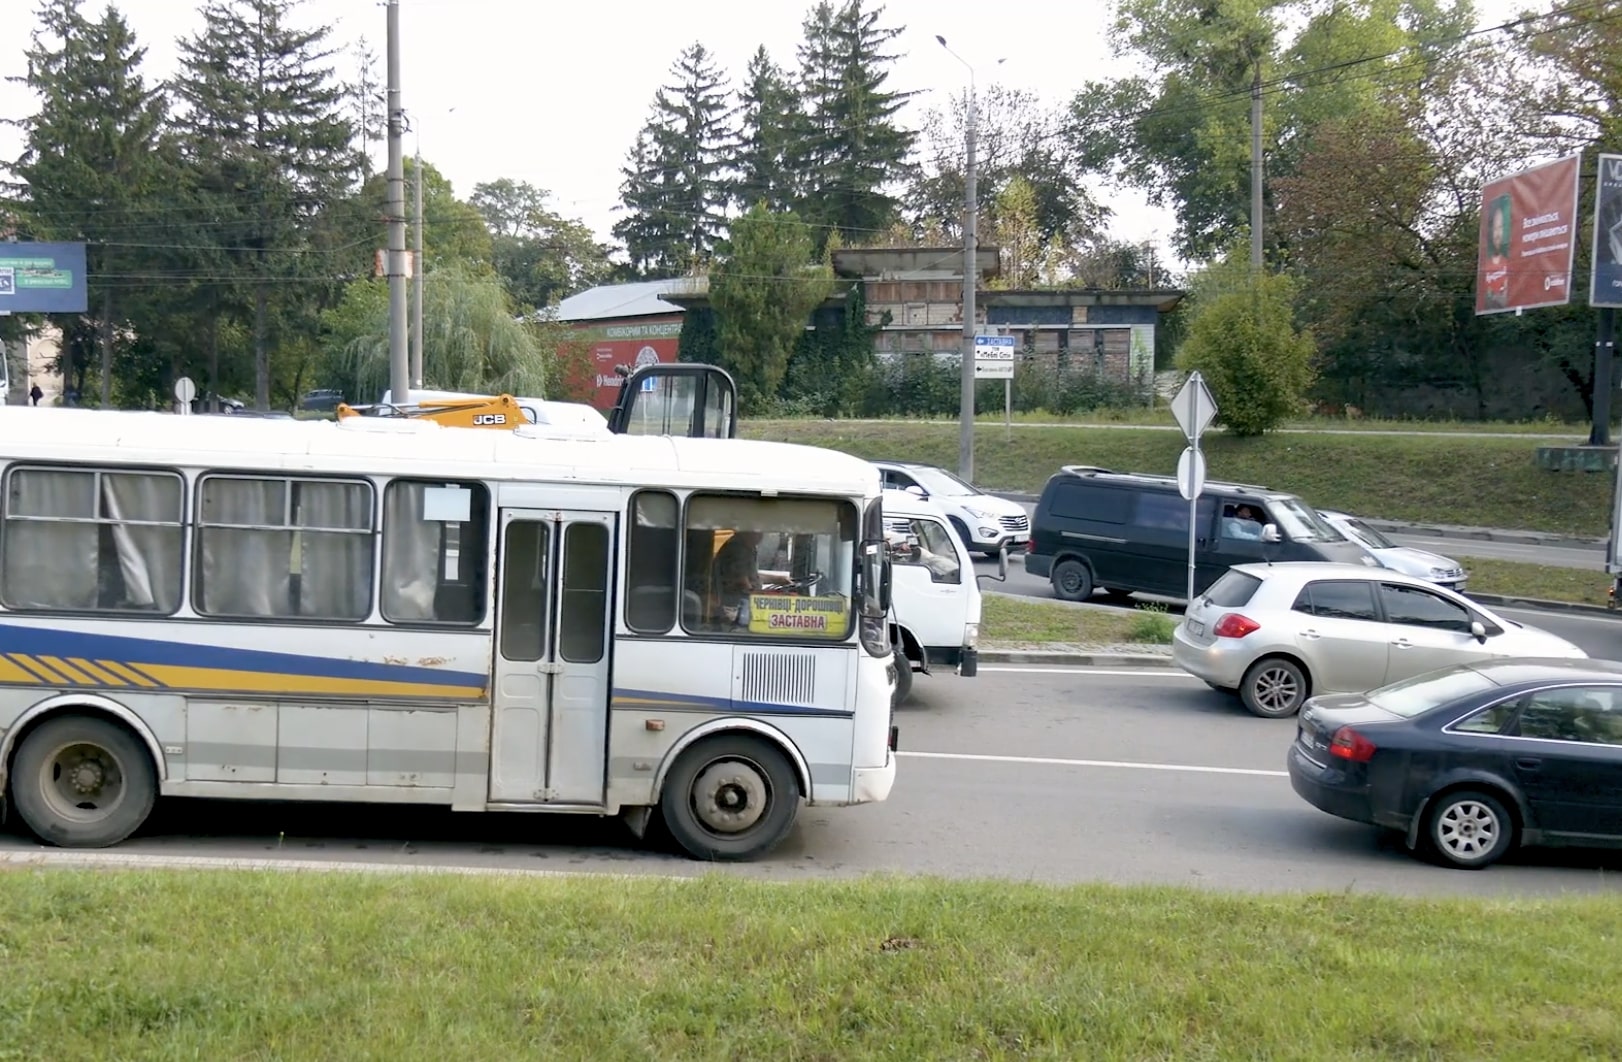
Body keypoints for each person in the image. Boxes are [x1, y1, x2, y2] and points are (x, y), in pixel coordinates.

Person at [713, 529, 764, 624]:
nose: (761, 536)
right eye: (759, 532)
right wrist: (759, 596)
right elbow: (741, 580)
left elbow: (752, 576)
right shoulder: (736, 547)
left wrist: (778, 579)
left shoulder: (748, 547)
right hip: (732, 604)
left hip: (739, 601)